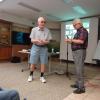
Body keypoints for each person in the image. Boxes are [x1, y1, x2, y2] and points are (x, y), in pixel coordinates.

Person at [65, 19, 88, 94]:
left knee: (79, 68)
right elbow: (76, 42)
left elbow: (81, 41)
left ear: (79, 24)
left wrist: (71, 40)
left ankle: (81, 88)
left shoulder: (83, 31)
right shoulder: (78, 31)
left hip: (80, 52)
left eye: (74, 25)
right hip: (76, 52)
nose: (74, 26)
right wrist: (70, 41)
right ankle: (78, 84)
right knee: (77, 68)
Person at [28, 17, 52, 83]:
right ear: (38, 22)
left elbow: (49, 41)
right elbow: (32, 40)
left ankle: (42, 76)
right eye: (41, 22)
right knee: (33, 62)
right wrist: (37, 40)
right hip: (35, 47)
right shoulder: (34, 29)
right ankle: (30, 75)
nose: (43, 23)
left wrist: (44, 42)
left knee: (43, 62)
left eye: (44, 22)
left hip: (44, 48)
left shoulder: (47, 30)